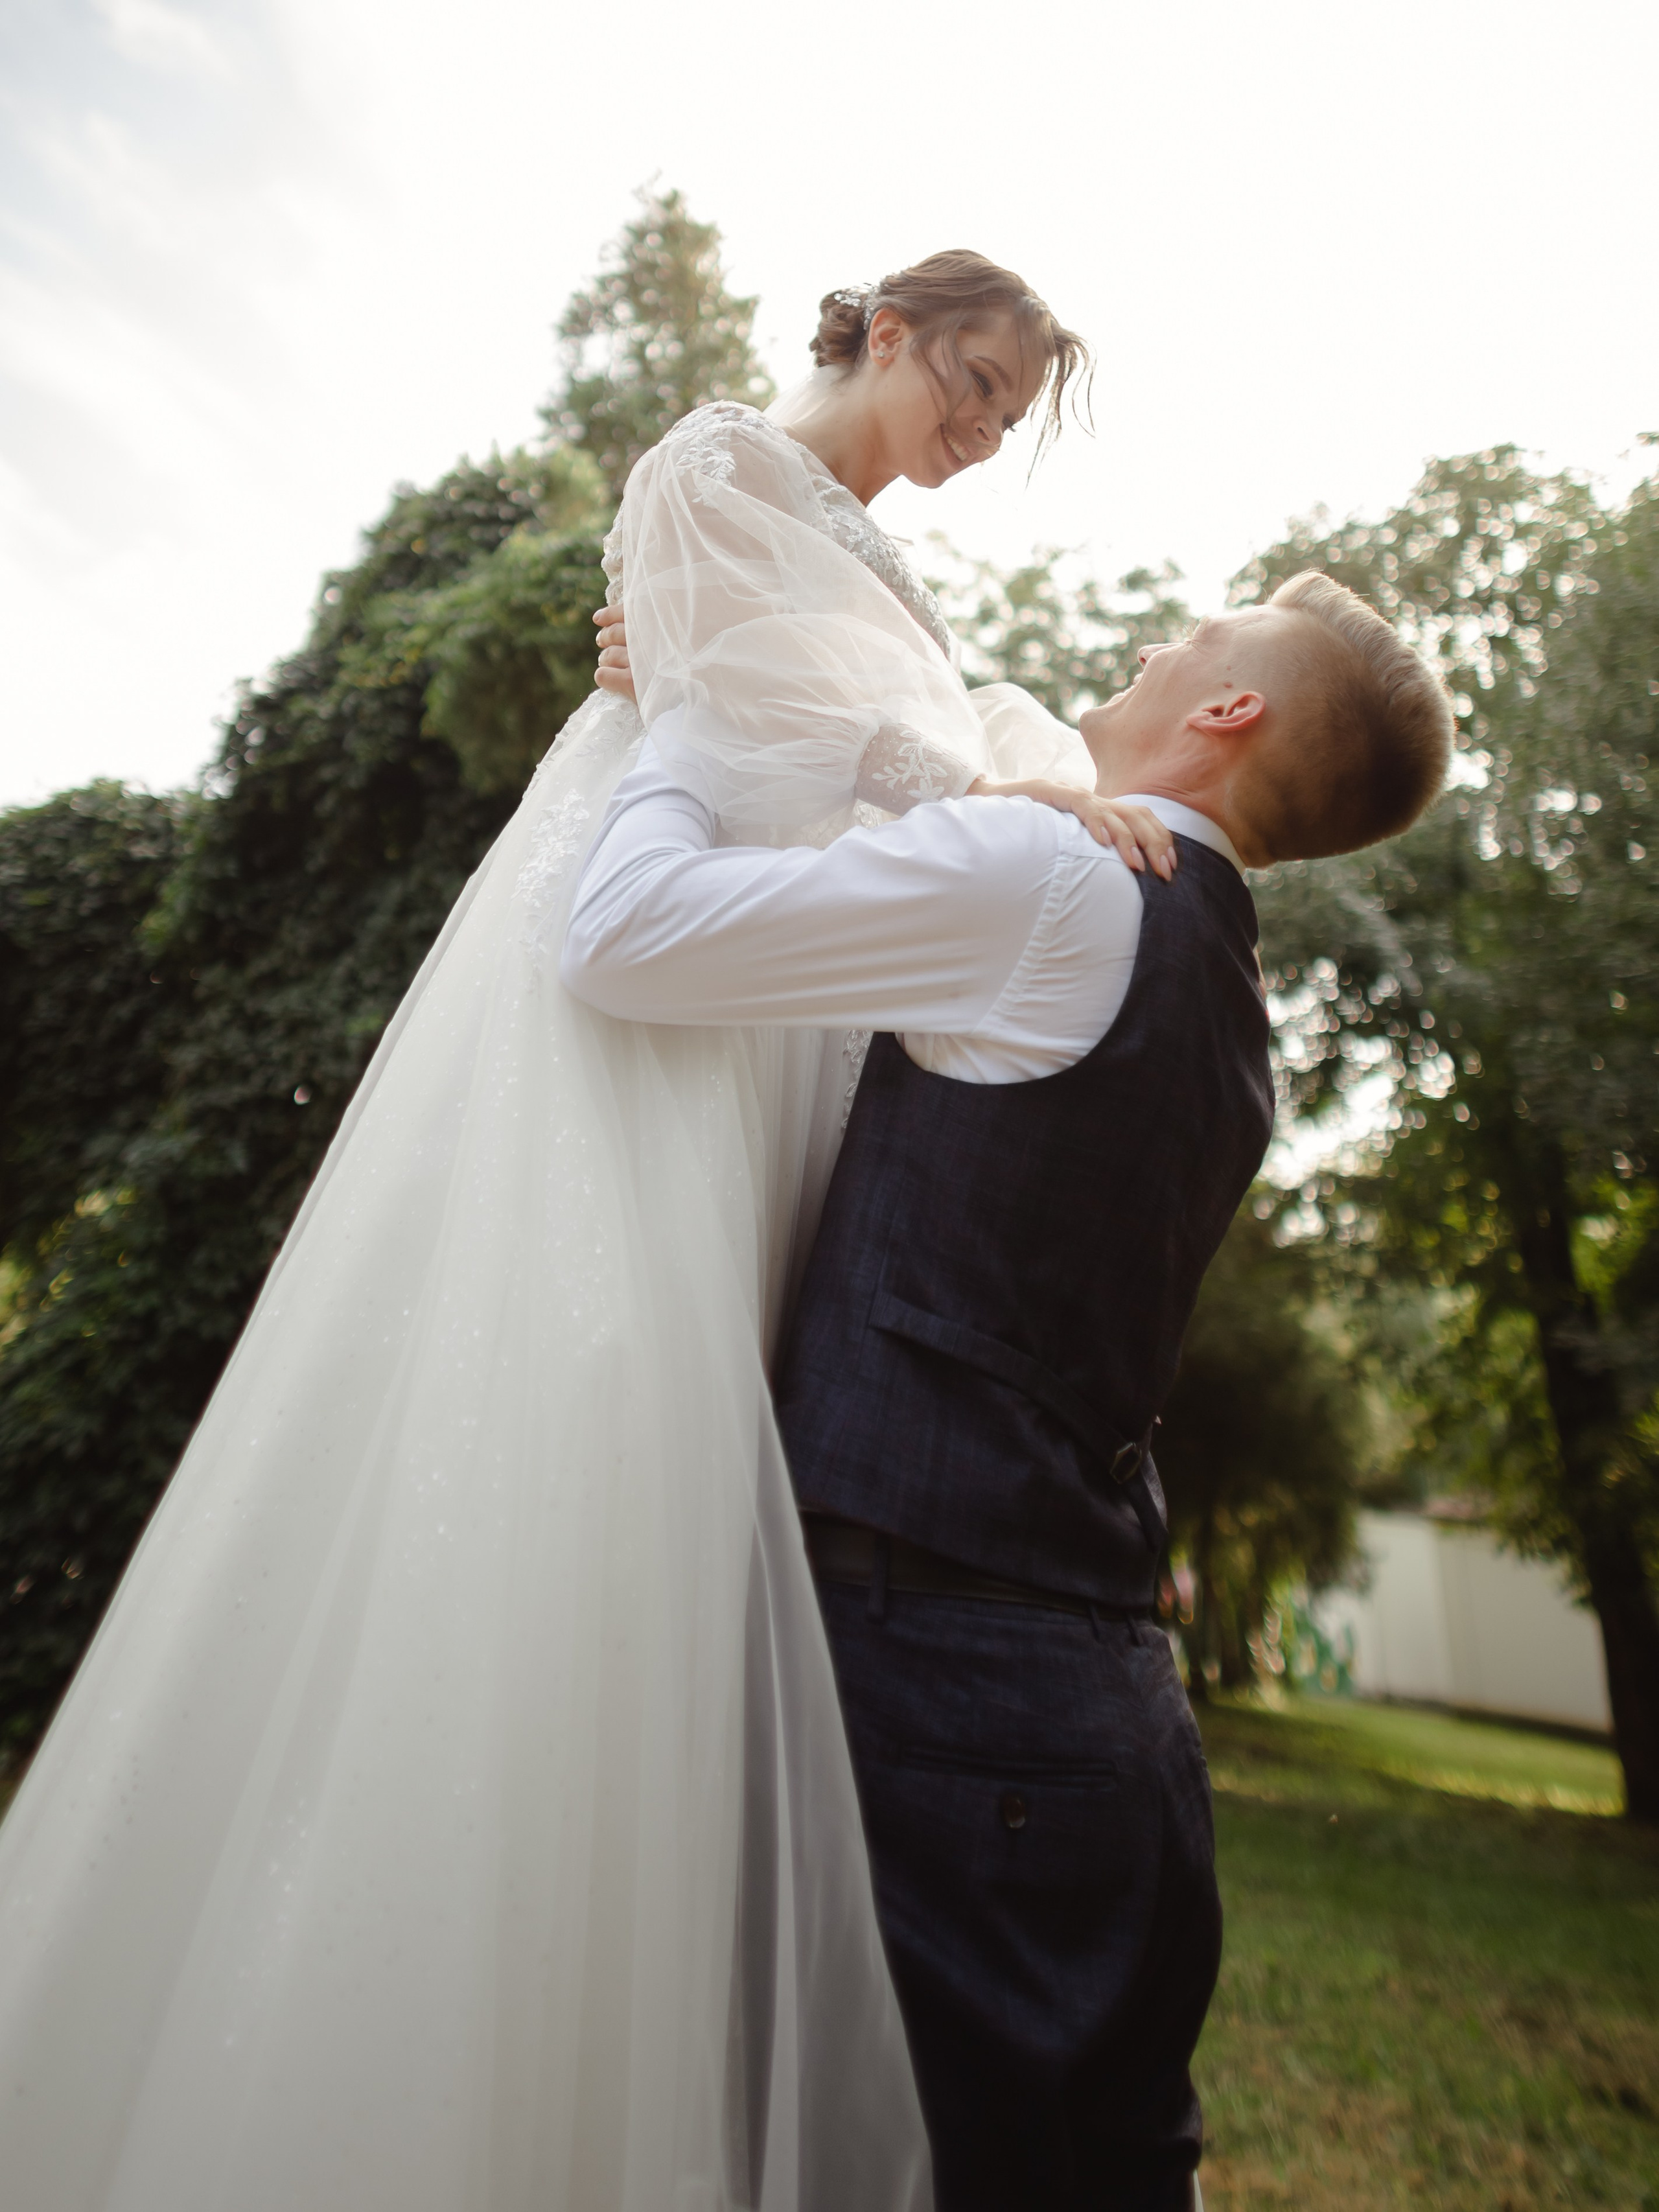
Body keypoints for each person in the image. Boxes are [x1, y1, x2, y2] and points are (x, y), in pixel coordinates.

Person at [0, 253, 1159, 2211]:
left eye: (1004, 416)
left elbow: (845, 724)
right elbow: (762, 709)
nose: (977, 433)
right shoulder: (714, 460)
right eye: (970, 381)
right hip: (652, 960)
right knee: (596, 1400)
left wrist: (1007, 771)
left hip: (771, 1000)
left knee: (716, 1443)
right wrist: (1016, 786)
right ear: (885, 330)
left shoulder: (881, 562)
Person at [563, 572, 1456, 2210]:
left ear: (1228, 711)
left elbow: (624, 937)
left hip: (948, 1691)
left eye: (1197, 636)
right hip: (1108, 1711)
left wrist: (683, 722)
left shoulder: (1052, 879)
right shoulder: (1216, 986)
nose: (1159, 640)